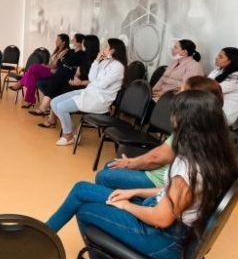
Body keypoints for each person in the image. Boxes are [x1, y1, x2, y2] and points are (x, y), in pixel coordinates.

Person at [45, 90, 238, 259]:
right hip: (171, 227)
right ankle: (43, 234)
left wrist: (127, 206)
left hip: (162, 239)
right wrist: (135, 192)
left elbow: (161, 219)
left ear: (188, 123)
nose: (172, 119)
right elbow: (173, 194)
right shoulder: (215, 157)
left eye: (175, 115)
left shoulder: (187, 168)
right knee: (81, 190)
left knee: (85, 211)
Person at [95, 76, 224, 191]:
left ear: (193, 98)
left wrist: (129, 163)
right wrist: (130, 162)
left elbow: (156, 159)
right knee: (111, 167)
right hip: (161, 175)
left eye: (182, 89)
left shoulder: (190, 129)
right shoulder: (206, 123)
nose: (178, 91)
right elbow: (159, 154)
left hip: (159, 181)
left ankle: (116, 203)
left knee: (105, 175)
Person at [43, 39, 127, 147]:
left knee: (62, 107)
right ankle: (73, 130)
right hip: (89, 92)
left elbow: (102, 85)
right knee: (54, 102)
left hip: (99, 100)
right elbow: (91, 77)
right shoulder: (105, 62)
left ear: (113, 50)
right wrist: (96, 61)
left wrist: (93, 82)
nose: (104, 48)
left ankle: (67, 135)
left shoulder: (118, 67)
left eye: (107, 47)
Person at [29, 34, 97, 116]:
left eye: (74, 39)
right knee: (44, 80)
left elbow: (68, 62)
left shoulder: (84, 56)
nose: (72, 41)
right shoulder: (71, 51)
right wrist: (63, 61)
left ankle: (43, 109)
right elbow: (62, 63)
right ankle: (47, 110)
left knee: (55, 81)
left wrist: (64, 60)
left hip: (71, 78)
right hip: (65, 74)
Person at [9, 34, 70, 108]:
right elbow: (51, 63)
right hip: (49, 69)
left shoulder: (65, 52)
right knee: (33, 77)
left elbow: (56, 66)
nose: (56, 41)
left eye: (58, 40)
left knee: (33, 67)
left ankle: (20, 83)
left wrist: (45, 66)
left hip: (53, 73)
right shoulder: (56, 50)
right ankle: (29, 101)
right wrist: (45, 65)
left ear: (63, 42)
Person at [209, 47, 238, 127]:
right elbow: (205, 84)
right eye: (217, 56)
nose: (216, 58)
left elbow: (212, 88)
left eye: (220, 57)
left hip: (225, 114)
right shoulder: (218, 71)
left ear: (231, 60)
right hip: (212, 108)